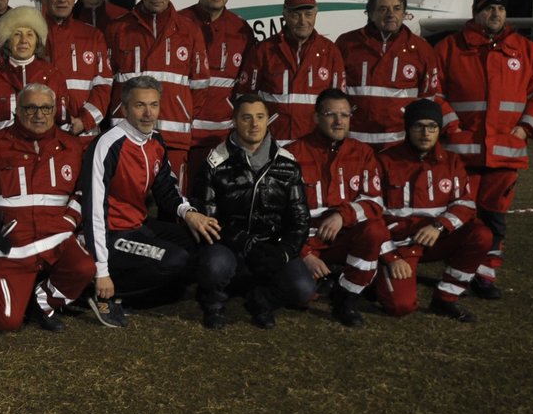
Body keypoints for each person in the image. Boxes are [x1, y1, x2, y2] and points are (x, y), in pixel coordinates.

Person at [436, 0, 533, 298]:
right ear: (476, 12)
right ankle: (458, 272)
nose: (496, 14)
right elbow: (434, 92)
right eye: (489, 9)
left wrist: (525, 129)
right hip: (462, 153)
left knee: (495, 218)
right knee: (460, 214)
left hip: (505, 154)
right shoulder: (450, 48)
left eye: (500, 10)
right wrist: (451, 126)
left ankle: (485, 275)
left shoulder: (525, 50)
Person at [83, 76, 220, 328]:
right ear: (124, 109)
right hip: (111, 234)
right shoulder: (107, 144)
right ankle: (97, 290)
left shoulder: (155, 141)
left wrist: (189, 213)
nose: (148, 113)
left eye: (154, 105)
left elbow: (166, 189)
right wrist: (100, 270)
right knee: (175, 260)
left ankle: (138, 292)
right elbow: (93, 210)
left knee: (197, 241)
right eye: (139, 106)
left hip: (139, 225)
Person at [0, 83, 95, 333]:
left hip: (56, 236)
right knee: (5, 321)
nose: (39, 115)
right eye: (30, 108)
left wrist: (70, 221)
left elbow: (84, 191)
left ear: (54, 110)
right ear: (18, 111)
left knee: (85, 267)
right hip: (10, 245)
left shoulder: (72, 146)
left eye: (46, 108)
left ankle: (41, 301)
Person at [191, 94, 313, 330]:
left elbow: (300, 220)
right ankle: (214, 304)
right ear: (234, 121)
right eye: (246, 118)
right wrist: (246, 244)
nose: (254, 124)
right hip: (229, 245)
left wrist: (284, 253)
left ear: (268, 120)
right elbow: (207, 219)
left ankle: (261, 301)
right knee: (215, 265)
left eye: (260, 117)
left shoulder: (287, 163)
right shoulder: (215, 163)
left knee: (303, 289)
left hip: (271, 247)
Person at [374, 99, 492, 322]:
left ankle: (445, 298)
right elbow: (372, 214)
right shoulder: (385, 160)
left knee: (481, 235)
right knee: (400, 306)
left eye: (432, 127)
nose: (425, 133)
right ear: (408, 128)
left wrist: (440, 226)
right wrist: (389, 256)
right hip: (400, 246)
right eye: (419, 126)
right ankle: (376, 275)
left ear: (439, 130)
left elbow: (465, 204)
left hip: (435, 239)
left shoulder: (451, 162)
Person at [281, 88, 386, 328]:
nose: (339, 121)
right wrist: (304, 253)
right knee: (300, 295)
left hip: (342, 237)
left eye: (345, 115)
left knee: (375, 230)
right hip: (302, 241)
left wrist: (342, 214)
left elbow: (375, 202)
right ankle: (320, 280)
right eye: (331, 114)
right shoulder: (291, 153)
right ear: (316, 117)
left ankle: (346, 297)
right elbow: (276, 212)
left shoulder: (363, 153)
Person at [105, 0, 210, 188]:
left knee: (172, 202)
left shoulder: (189, 30)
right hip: (127, 131)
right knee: (129, 195)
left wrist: (183, 111)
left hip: (173, 134)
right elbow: (107, 80)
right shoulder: (119, 29)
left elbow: (200, 85)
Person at [336, 0, 451, 148]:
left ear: (404, 14)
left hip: (399, 145)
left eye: (397, 9)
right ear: (371, 14)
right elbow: (334, 95)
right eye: (383, 9)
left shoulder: (421, 50)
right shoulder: (347, 44)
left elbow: (426, 102)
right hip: (354, 142)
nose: (391, 14)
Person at [235, 0, 346, 142]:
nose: (303, 21)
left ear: (315, 15)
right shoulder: (265, 50)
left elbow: (338, 104)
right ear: (285, 15)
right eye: (295, 15)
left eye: (308, 15)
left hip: (313, 144)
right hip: (272, 143)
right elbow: (244, 98)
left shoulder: (330, 51)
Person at [181, 0, 256, 186]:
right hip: (184, 131)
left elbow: (247, 83)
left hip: (221, 135)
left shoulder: (240, 28)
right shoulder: (180, 22)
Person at [0, 6, 73, 134]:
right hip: (2, 151)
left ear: (37, 41)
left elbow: (64, 127)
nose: (23, 41)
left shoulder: (53, 76)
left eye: (30, 34)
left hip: (42, 152)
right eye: (17, 34)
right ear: (7, 41)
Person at [36, 0, 111, 135]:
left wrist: (84, 121)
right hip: (41, 134)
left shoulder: (93, 36)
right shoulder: (31, 34)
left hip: (83, 136)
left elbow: (103, 86)